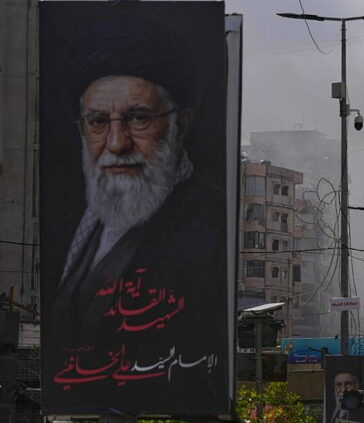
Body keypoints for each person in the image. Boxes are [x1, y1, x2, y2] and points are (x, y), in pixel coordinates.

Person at [40, 9, 227, 414]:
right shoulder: (71, 229)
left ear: (181, 125)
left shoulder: (211, 227)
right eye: (97, 122)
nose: (116, 142)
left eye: (138, 118)